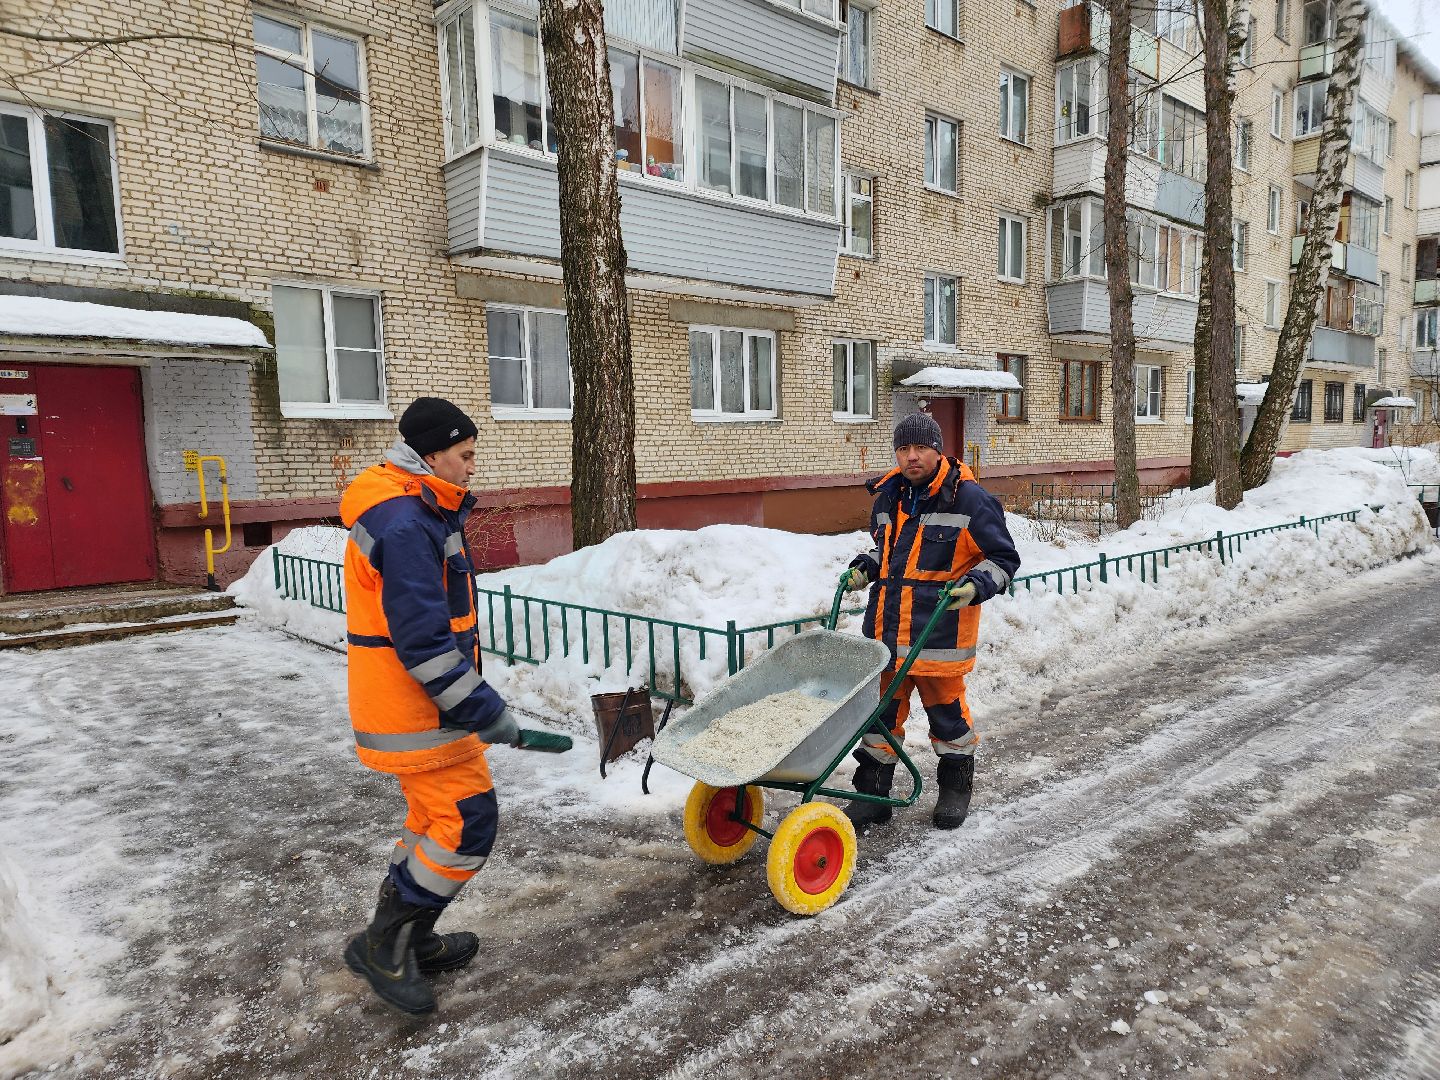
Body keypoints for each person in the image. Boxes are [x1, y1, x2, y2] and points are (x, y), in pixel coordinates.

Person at [338, 397, 518, 1015]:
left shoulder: (410, 504)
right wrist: (482, 706)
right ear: (433, 452)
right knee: (467, 823)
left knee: (430, 822)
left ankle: (410, 936)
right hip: (417, 707)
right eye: (465, 455)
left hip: (415, 704)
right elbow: (423, 639)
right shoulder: (405, 523)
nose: (472, 468)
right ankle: (384, 946)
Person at [840, 411, 1021, 832]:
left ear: (938, 450)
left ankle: (955, 791)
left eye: (919, 448)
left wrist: (976, 585)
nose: (910, 457)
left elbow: (1004, 560)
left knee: (948, 721)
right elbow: (888, 553)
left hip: (938, 636)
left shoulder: (969, 499)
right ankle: (873, 796)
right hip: (887, 637)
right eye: (903, 449)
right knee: (880, 719)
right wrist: (866, 566)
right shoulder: (888, 497)